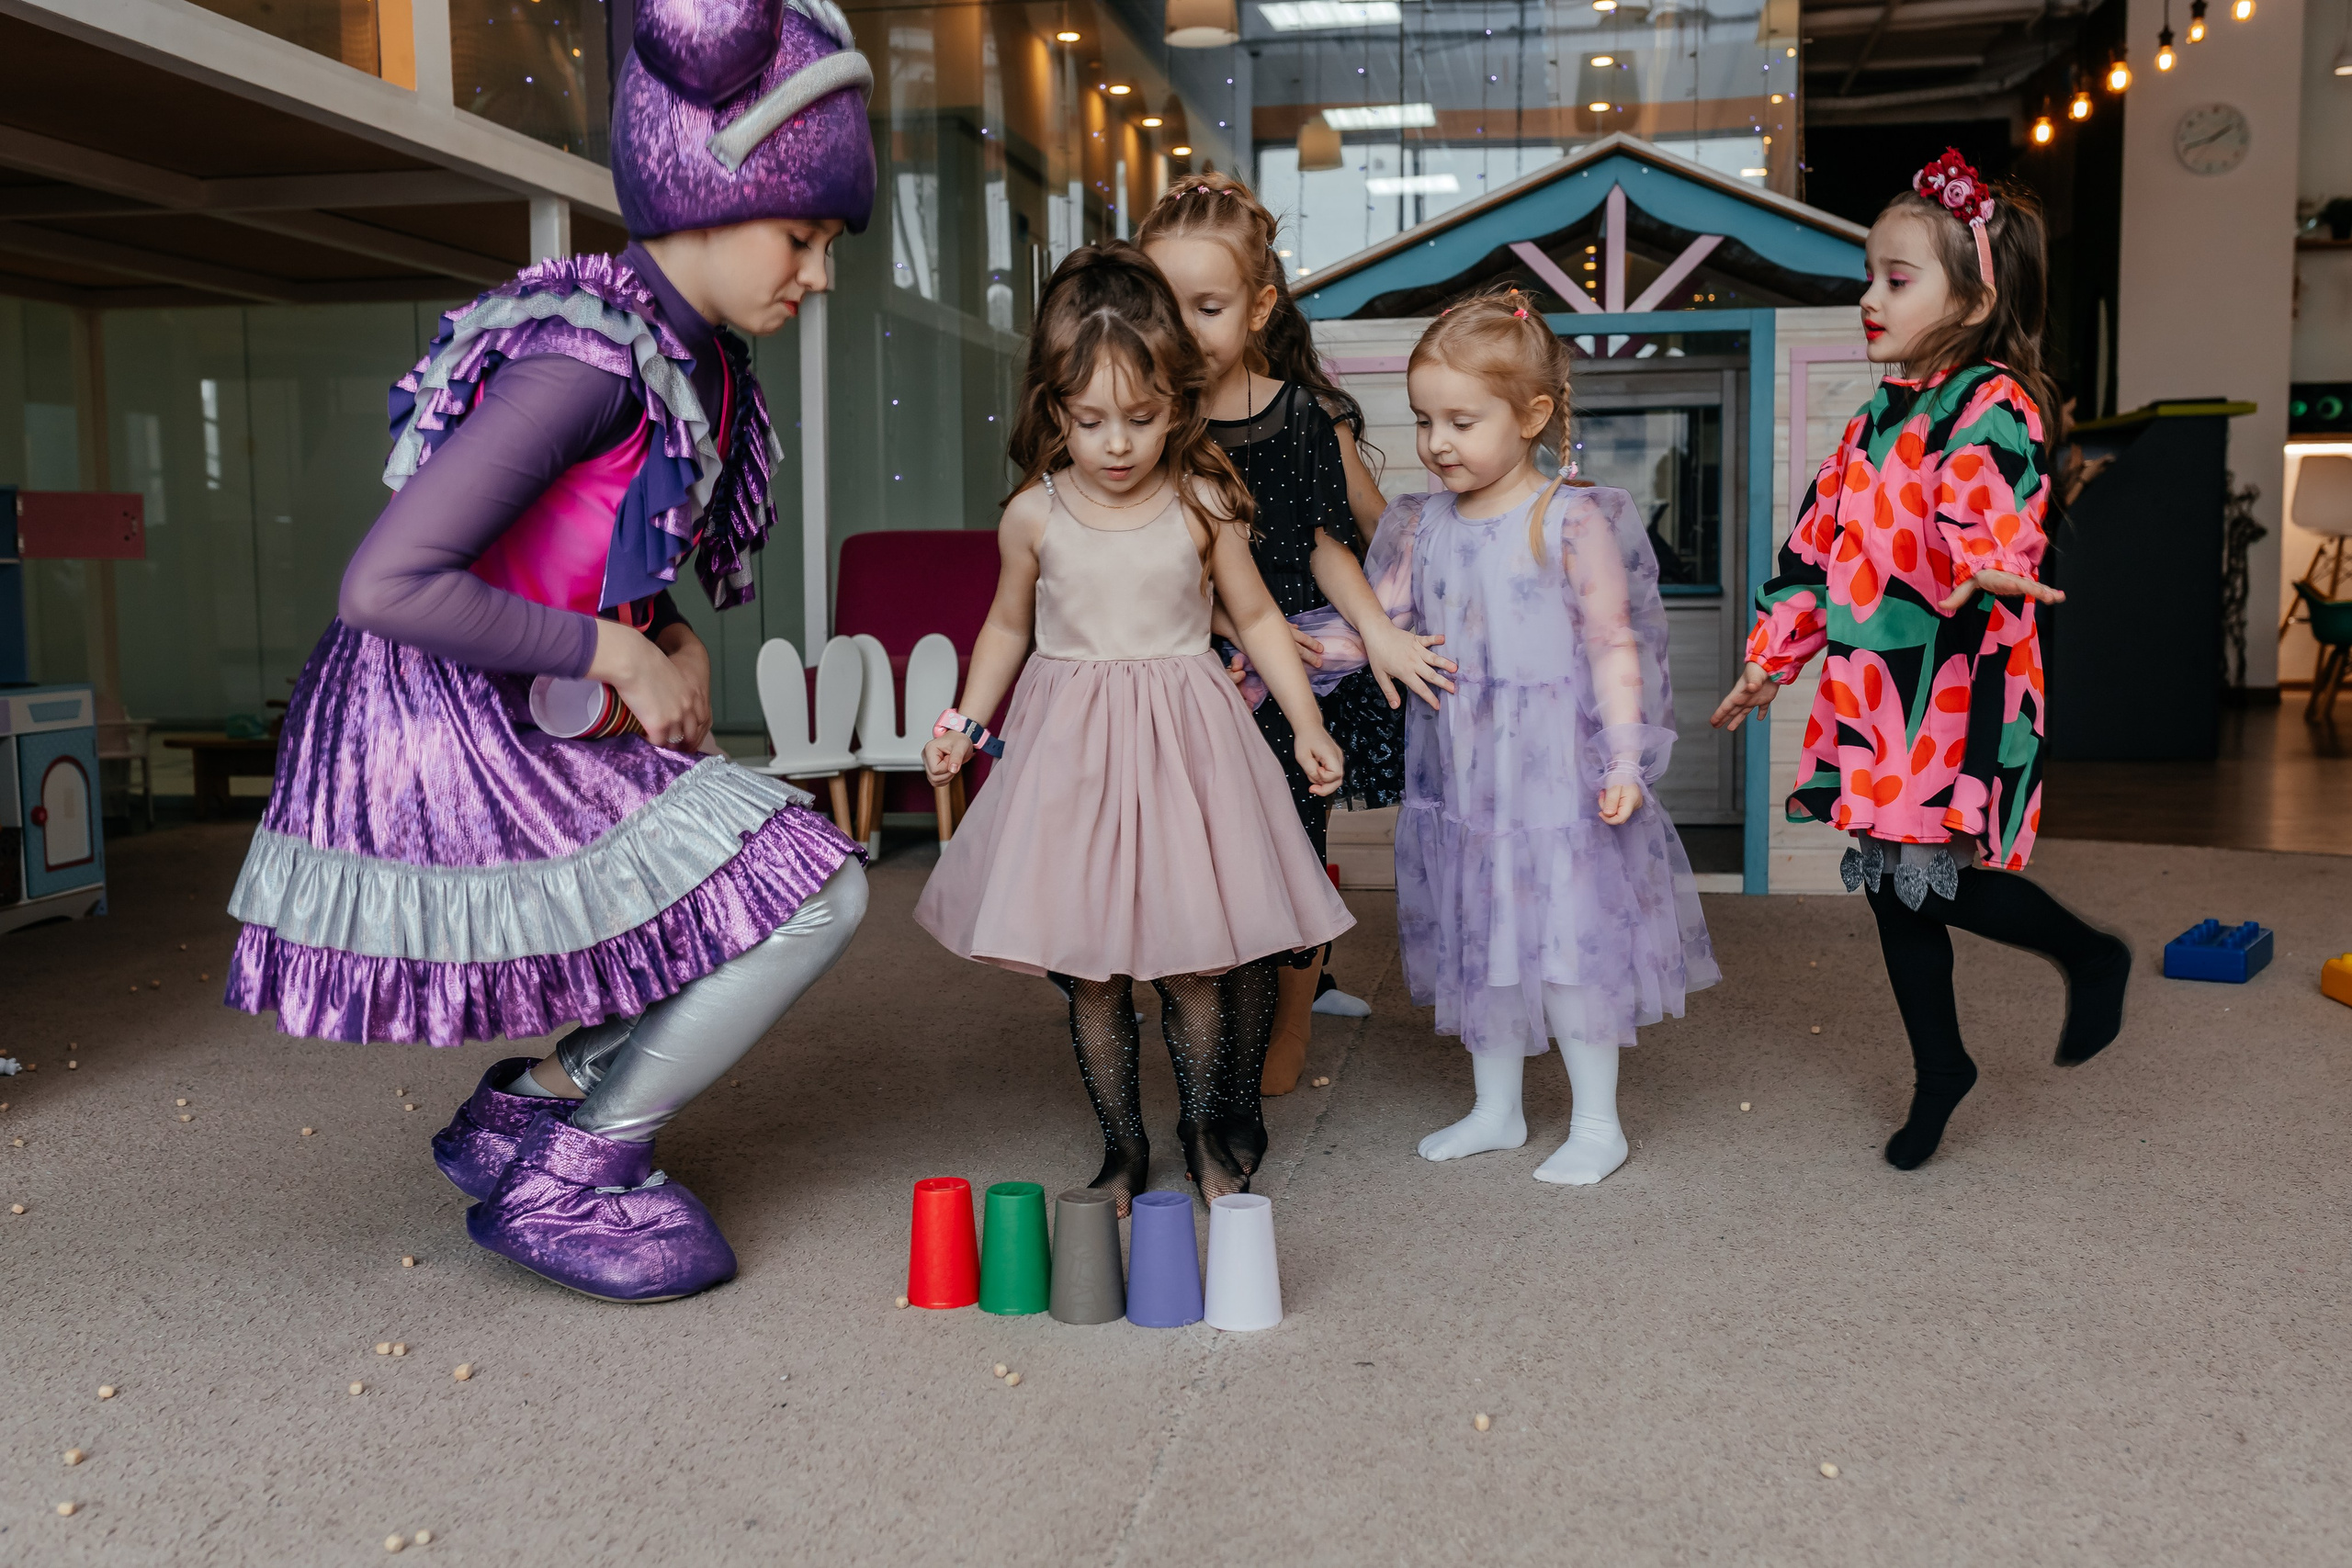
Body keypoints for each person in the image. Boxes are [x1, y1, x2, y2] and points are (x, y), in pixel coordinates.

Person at [221, 0, 879, 1302]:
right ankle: (582, 1154)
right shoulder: (586, 357)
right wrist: (620, 656)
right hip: (440, 714)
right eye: (802, 234)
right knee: (815, 890)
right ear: (705, 183)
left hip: (531, 688)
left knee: (737, 894)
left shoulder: (688, 351)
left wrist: (668, 633)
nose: (819, 273)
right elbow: (386, 583)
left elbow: (600, 542)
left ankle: (533, 1103)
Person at [1712, 150, 2132, 1170]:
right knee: (1889, 885)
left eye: (1896, 279)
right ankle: (1941, 1064)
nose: (1869, 297)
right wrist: (1772, 657)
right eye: (1869, 275)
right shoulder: (1868, 421)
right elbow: (1812, 554)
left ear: (1974, 294)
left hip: (1948, 687)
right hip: (1872, 691)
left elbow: (1991, 502)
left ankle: (2087, 952)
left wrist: (1993, 565)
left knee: (1928, 882)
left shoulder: (1995, 403)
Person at [912, 243, 1353, 1213]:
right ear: (1055, 409)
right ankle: (1122, 1151)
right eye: (1090, 422)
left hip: (1191, 749)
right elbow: (1004, 626)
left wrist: (1308, 723)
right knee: (1095, 973)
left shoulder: (1202, 504)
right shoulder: (1034, 514)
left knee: (1196, 962)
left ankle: (1203, 1132)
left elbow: (1260, 622)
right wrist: (961, 719)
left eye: (1143, 419)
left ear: (1176, 404)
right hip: (1070, 753)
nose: (1117, 445)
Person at [1293, 290, 1718, 1184]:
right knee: (1479, 939)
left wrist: (1626, 754)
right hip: (1466, 786)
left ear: (1531, 416)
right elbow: (1386, 619)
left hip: (1558, 787)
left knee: (1566, 944)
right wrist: (1314, 643)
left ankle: (1598, 1122)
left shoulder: (1570, 518)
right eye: (1422, 420)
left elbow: (1615, 644)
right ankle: (1496, 1107)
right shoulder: (1421, 525)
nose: (1437, 441)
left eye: (1461, 419)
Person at [1135, 173, 1455, 1094]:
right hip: (1186, 658)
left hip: (1295, 667)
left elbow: (1325, 543)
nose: (1186, 327)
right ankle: (1203, 1010)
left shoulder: (1301, 416)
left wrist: (1379, 632)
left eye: (1207, 305)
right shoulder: (1147, 420)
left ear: (1259, 304)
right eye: (1165, 305)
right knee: (1190, 849)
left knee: (1289, 846)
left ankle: (1292, 1028)